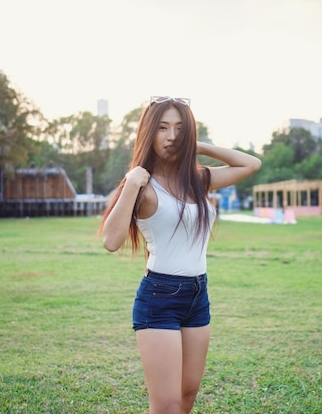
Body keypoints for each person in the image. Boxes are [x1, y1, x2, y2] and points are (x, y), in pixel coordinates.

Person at [99, 96, 261, 414]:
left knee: (187, 396)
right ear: (149, 132)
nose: (172, 136)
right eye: (162, 127)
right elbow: (111, 240)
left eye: (179, 128)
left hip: (197, 295)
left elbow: (251, 165)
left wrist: (198, 146)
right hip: (159, 297)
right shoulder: (142, 185)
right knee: (167, 405)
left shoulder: (197, 180)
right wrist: (131, 183)